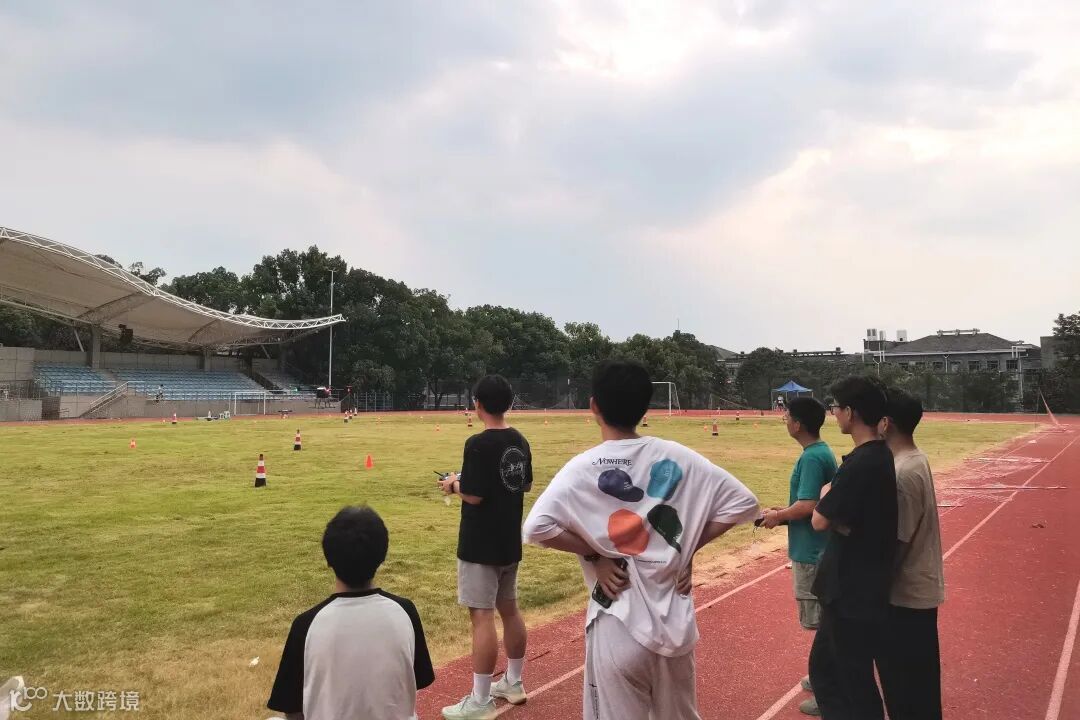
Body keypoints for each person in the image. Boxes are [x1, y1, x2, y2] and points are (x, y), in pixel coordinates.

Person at [523, 359, 759, 719]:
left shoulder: (583, 467)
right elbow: (744, 503)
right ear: (646, 407)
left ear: (593, 406)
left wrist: (596, 555)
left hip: (618, 621)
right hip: (675, 627)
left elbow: (536, 528)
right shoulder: (679, 456)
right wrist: (685, 548)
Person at [267, 506, 434, 720]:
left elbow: (291, 708)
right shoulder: (405, 611)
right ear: (382, 556)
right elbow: (419, 679)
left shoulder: (306, 625)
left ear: (328, 558)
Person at [439, 375, 533, 720]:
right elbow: (523, 484)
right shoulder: (519, 440)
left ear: (477, 404)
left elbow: (474, 495)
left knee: (481, 617)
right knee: (510, 609)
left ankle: (480, 701)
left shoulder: (477, 444)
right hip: (509, 539)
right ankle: (513, 682)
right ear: (509, 403)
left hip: (480, 544)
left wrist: (453, 485)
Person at [808, 376, 897, 720]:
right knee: (829, 670)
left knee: (847, 679)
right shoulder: (875, 456)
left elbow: (820, 519)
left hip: (851, 592)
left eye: (835, 407)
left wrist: (827, 496)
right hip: (852, 588)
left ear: (851, 412)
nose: (833, 413)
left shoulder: (863, 462)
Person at [761, 397, 837, 716]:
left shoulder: (812, 458)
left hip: (813, 552)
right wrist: (780, 513)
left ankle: (829, 691)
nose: (785, 422)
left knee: (824, 626)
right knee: (825, 624)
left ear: (798, 424)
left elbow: (807, 505)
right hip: (817, 548)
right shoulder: (819, 452)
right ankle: (824, 679)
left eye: (787, 417)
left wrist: (778, 516)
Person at [876, 388, 944, 720]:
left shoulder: (902, 472)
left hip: (905, 598)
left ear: (885, 423)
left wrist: (874, 586)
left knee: (905, 689)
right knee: (920, 685)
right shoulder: (915, 459)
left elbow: (898, 542)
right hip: (916, 593)